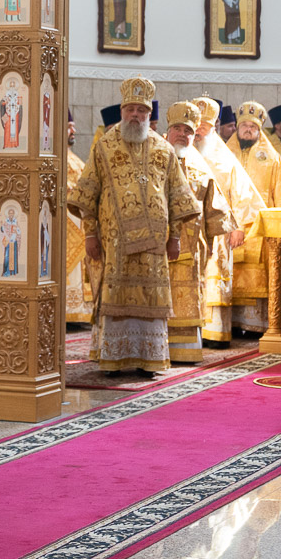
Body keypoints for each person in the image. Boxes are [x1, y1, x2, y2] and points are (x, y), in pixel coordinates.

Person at [69, 77, 200, 375]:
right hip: (114, 244)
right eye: (130, 109)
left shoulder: (164, 149)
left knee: (150, 303)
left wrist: (175, 238)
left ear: (149, 115)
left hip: (154, 247)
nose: (135, 116)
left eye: (141, 110)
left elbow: (177, 197)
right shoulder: (104, 147)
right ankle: (114, 360)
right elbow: (88, 195)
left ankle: (148, 359)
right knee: (116, 301)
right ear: (122, 111)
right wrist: (90, 235)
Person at [190, 97, 266, 344]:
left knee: (215, 278)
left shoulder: (224, 157)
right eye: (196, 127)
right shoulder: (182, 153)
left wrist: (239, 227)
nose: (199, 132)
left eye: (204, 128)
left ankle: (215, 332)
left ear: (214, 128)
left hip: (219, 230)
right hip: (189, 229)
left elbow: (243, 193)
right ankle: (189, 331)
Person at [164, 102, 235, 363]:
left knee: (189, 297)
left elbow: (215, 207)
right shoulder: (155, 157)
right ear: (168, 130)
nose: (183, 135)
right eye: (178, 129)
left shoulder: (200, 165)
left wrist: (214, 239)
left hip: (192, 247)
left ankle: (185, 352)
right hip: (157, 245)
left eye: (189, 131)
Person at [229, 101, 281, 333]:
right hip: (228, 227)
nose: (248, 130)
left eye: (253, 126)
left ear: (260, 130)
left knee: (258, 276)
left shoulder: (271, 157)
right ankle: (229, 324)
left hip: (260, 229)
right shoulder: (225, 155)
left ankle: (253, 325)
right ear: (237, 127)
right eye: (244, 126)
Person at [65, 109, 94, 324]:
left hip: (79, 222)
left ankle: (78, 309)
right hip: (67, 223)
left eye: (73, 126)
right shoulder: (56, 159)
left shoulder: (74, 159)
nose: (73, 130)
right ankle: (67, 309)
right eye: (69, 127)